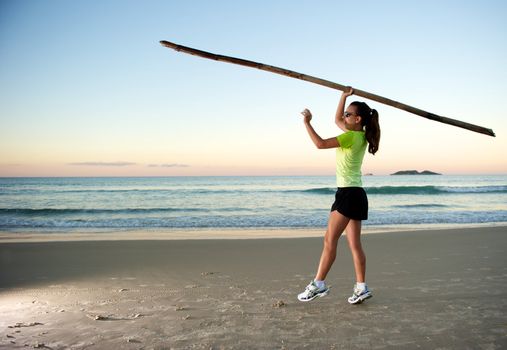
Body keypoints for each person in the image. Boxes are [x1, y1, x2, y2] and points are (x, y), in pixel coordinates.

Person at [297, 88, 381, 304]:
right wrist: (344, 96)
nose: (344, 117)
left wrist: (307, 123)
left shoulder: (350, 136)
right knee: (354, 245)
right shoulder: (360, 134)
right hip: (356, 194)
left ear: (357, 119)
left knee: (329, 240)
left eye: (348, 114)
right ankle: (361, 287)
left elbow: (320, 144)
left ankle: (318, 284)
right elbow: (336, 118)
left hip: (348, 194)